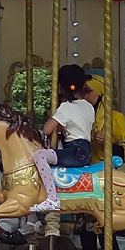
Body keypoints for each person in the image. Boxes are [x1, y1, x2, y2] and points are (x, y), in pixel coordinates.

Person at [67, 74, 125, 250]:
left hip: (106, 182)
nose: (83, 96)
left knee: (107, 238)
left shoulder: (115, 118)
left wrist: (108, 144)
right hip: (85, 180)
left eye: (87, 91)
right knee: (86, 238)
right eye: (81, 91)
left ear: (101, 93)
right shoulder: (81, 118)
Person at [31, 64, 95, 212]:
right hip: (86, 150)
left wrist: (50, 122)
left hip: (74, 150)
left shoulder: (65, 107)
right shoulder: (88, 106)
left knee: (40, 155)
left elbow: (47, 130)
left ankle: (52, 199)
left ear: (62, 88)